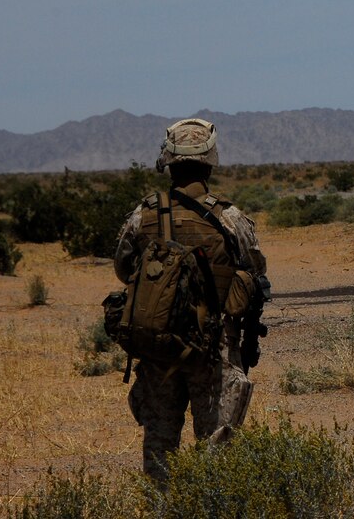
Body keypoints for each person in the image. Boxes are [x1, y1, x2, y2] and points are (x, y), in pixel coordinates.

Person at [114, 117, 269, 482]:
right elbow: (255, 269)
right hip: (212, 349)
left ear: (168, 160)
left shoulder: (144, 213)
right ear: (210, 160)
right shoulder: (229, 217)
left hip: (159, 349)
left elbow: (123, 269)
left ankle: (161, 508)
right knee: (215, 446)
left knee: (159, 442)